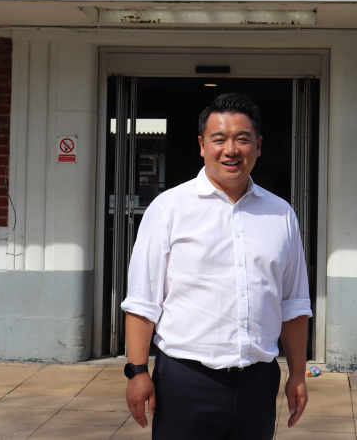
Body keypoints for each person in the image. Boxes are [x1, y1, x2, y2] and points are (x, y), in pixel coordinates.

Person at [121, 93, 312, 440]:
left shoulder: (281, 214)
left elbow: (294, 304)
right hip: (186, 381)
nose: (231, 150)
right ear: (201, 145)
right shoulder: (169, 209)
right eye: (219, 139)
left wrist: (297, 374)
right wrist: (137, 371)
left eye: (242, 138)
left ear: (258, 145)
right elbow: (142, 301)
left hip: (258, 382)